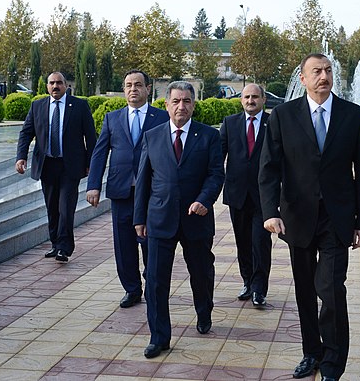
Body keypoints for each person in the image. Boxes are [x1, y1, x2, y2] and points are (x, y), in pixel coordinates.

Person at [259, 53, 360, 381]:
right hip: (297, 217)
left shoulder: (354, 117)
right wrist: (270, 213)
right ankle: (312, 352)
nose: (323, 76)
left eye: (327, 70)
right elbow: (268, 168)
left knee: (331, 288)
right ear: (303, 77)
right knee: (305, 289)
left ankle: (333, 363)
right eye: (316, 71)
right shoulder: (282, 116)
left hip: (338, 219)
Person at [134, 81, 224, 359]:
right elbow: (143, 180)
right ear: (166, 104)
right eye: (176, 101)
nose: (181, 107)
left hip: (196, 219)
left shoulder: (208, 136)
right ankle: (159, 337)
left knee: (201, 272)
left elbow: (215, 175)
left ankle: (204, 311)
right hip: (159, 219)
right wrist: (139, 217)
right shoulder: (153, 136)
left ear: (193, 105)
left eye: (186, 101)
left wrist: (204, 199)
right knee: (156, 281)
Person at [86, 70, 169, 308]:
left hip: (152, 193)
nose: (133, 89)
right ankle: (132, 289)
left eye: (138, 85)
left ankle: (151, 282)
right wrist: (93, 185)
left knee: (150, 241)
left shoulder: (161, 118)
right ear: (124, 90)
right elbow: (100, 153)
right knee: (124, 244)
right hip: (121, 191)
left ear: (148, 89)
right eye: (128, 85)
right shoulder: (113, 118)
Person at [16, 72, 97, 262]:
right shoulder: (38, 106)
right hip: (47, 165)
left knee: (66, 208)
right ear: (47, 86)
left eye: (59, 83)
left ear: (66, 85)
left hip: (70, 166)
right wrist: (21, 157)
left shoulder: (79, 106)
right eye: (52, 83)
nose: (55, 86)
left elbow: (91, 137)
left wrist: (90, 163)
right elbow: (26, 133)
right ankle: (55, 244)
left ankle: (64, 247)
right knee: (52, 207)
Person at [220, 83, 271, 308]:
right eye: (246, 97)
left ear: (263, 99)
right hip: (237, 193)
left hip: (265, 195)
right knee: (243, 242)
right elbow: (218, 156)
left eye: (255, 97)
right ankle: (247, 282)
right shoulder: (230, 123)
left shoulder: (274, 123)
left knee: (260, 242)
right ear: (241, 100)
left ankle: (259, 288)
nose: (251, 101)